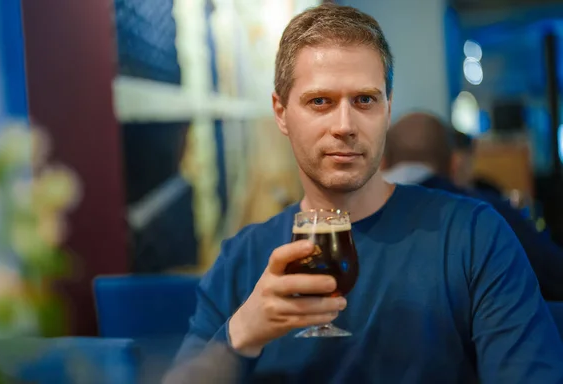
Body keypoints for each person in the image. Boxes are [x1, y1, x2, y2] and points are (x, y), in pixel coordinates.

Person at [166, 4, 563, 383]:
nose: (345, 125)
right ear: (281, 112)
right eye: (320, 101)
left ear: (387, 110)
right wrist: (243, 333)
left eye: (365, 100)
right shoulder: (244, 258)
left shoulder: (473, 236)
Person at [382, 112, 563, 301]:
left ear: (384, 162)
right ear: (454, 164)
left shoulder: (355, 213)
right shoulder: (485, 212)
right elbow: (554, 273)